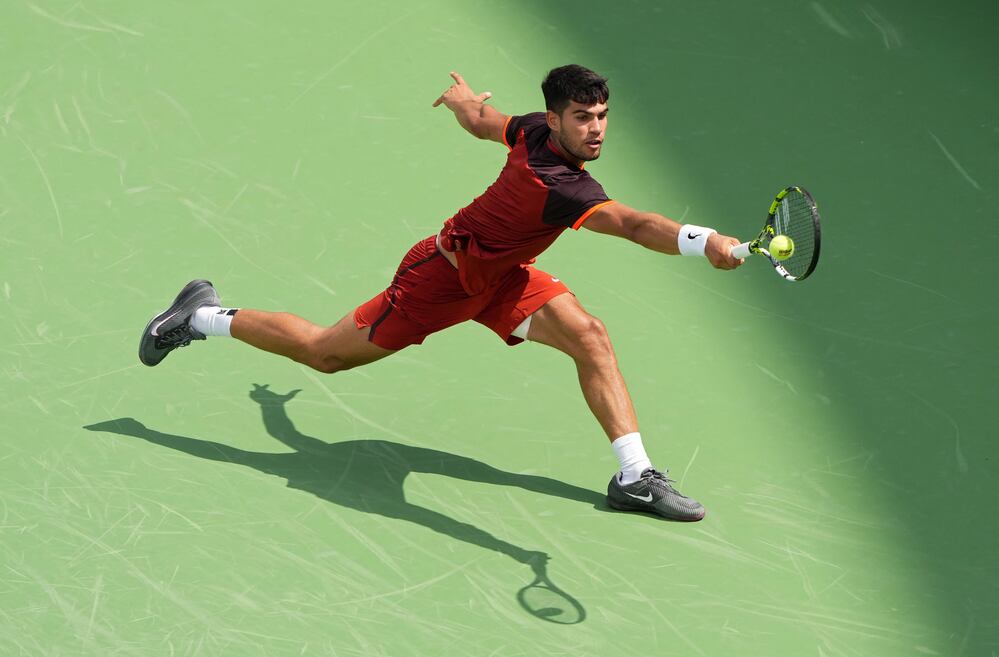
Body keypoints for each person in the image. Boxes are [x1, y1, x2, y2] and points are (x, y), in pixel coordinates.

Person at [138, 64, 744, 522]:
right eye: (583, 118)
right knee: (324, 352)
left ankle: (635, 476)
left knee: (590, 337)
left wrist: (462, 102)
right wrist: (705, 238)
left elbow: (488, 123)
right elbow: (636, 225)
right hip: (444, 277)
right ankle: (203, 316)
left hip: (505, 276)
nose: (596, 129)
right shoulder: (561, 184)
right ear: (556, 118)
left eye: (603, 116)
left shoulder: (533, 132)